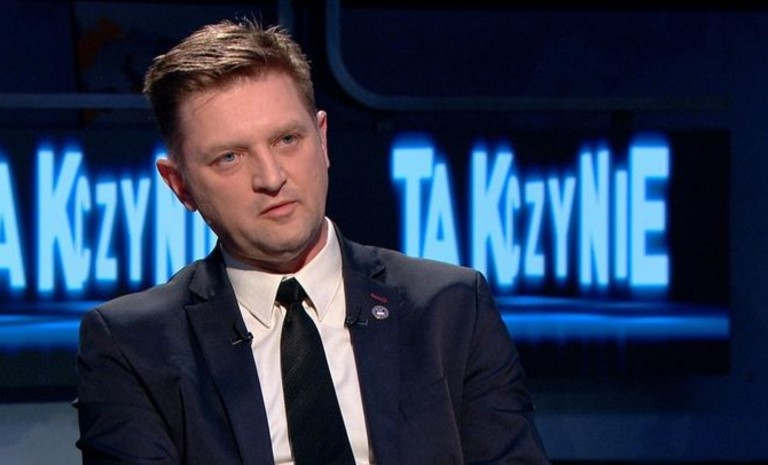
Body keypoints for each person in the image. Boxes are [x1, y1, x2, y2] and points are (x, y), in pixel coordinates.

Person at [74, 17, 552, 465]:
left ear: (322, 139)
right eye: (229, 157)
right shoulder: (133, 346)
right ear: (180, 185)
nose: (271, 177)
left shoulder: (451, 309)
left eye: (287, 140)